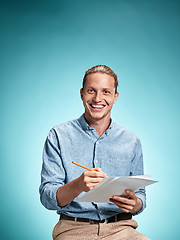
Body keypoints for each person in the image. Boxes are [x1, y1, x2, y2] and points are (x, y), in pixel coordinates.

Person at [39, 65, 150, 240]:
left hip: (121, 229)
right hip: (72, 229)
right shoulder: (58, 135)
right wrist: (78, 185)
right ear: (82, 93)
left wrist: (135, 203)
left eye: (106, 92)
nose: (98, 98)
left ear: (115, 97)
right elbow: (47, 197)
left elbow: (141, 198)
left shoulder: (131, 141)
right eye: (92, 90)